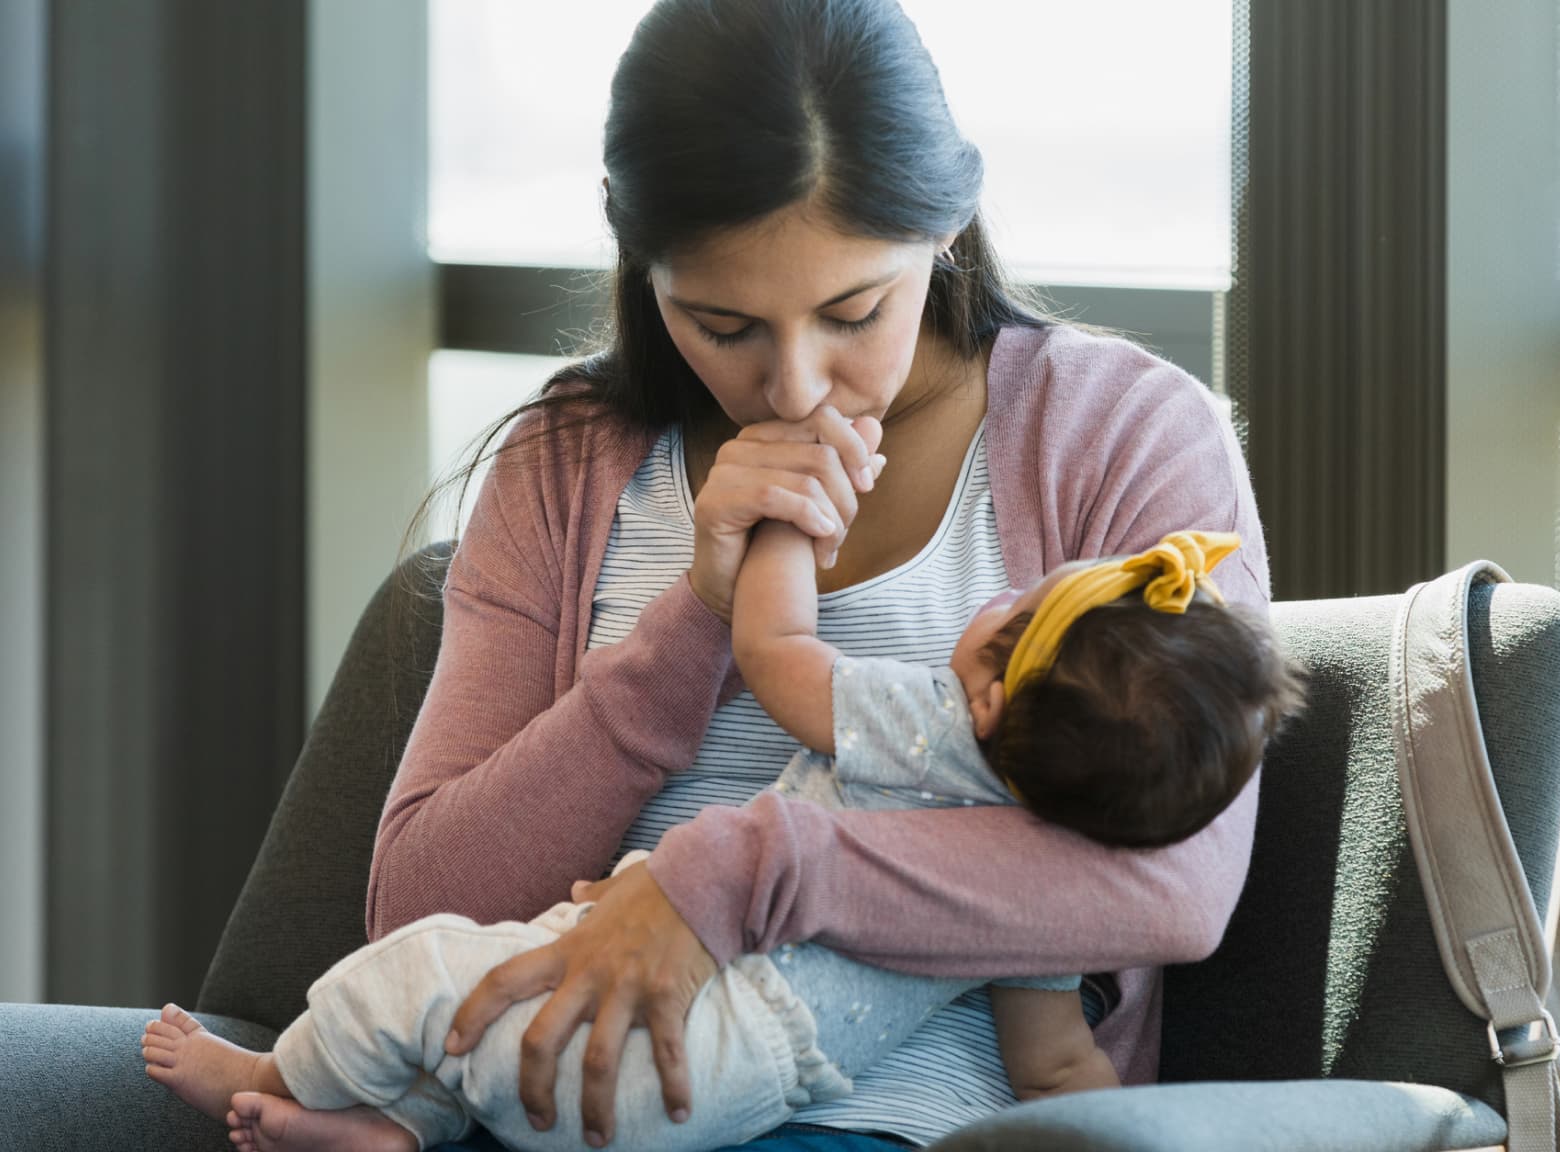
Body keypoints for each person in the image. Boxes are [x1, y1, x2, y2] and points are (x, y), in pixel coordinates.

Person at [175, 0, 1272, 1146]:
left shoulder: (1124, 436)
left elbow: (1173, 891)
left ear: (946, 224)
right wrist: (695, 615)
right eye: (723, 324)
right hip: (542, 1088)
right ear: (643, 269)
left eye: (854, 311)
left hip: (909, 1117)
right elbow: (419, 905)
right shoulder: (568, 461)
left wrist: (734, 879)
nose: (796, 387)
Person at [138, 530, 1299, 1152]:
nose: (1006, 590)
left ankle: (286, 1069)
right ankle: (397, 1125)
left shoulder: (932, 730)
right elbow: (1055, 1066)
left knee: (428, 971)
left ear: (992, 700)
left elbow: (780, 655)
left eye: (1027, 602)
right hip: (748, 1088)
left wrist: (787, 524)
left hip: (674, 1033)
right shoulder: (1048, 900)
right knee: (490, 995)